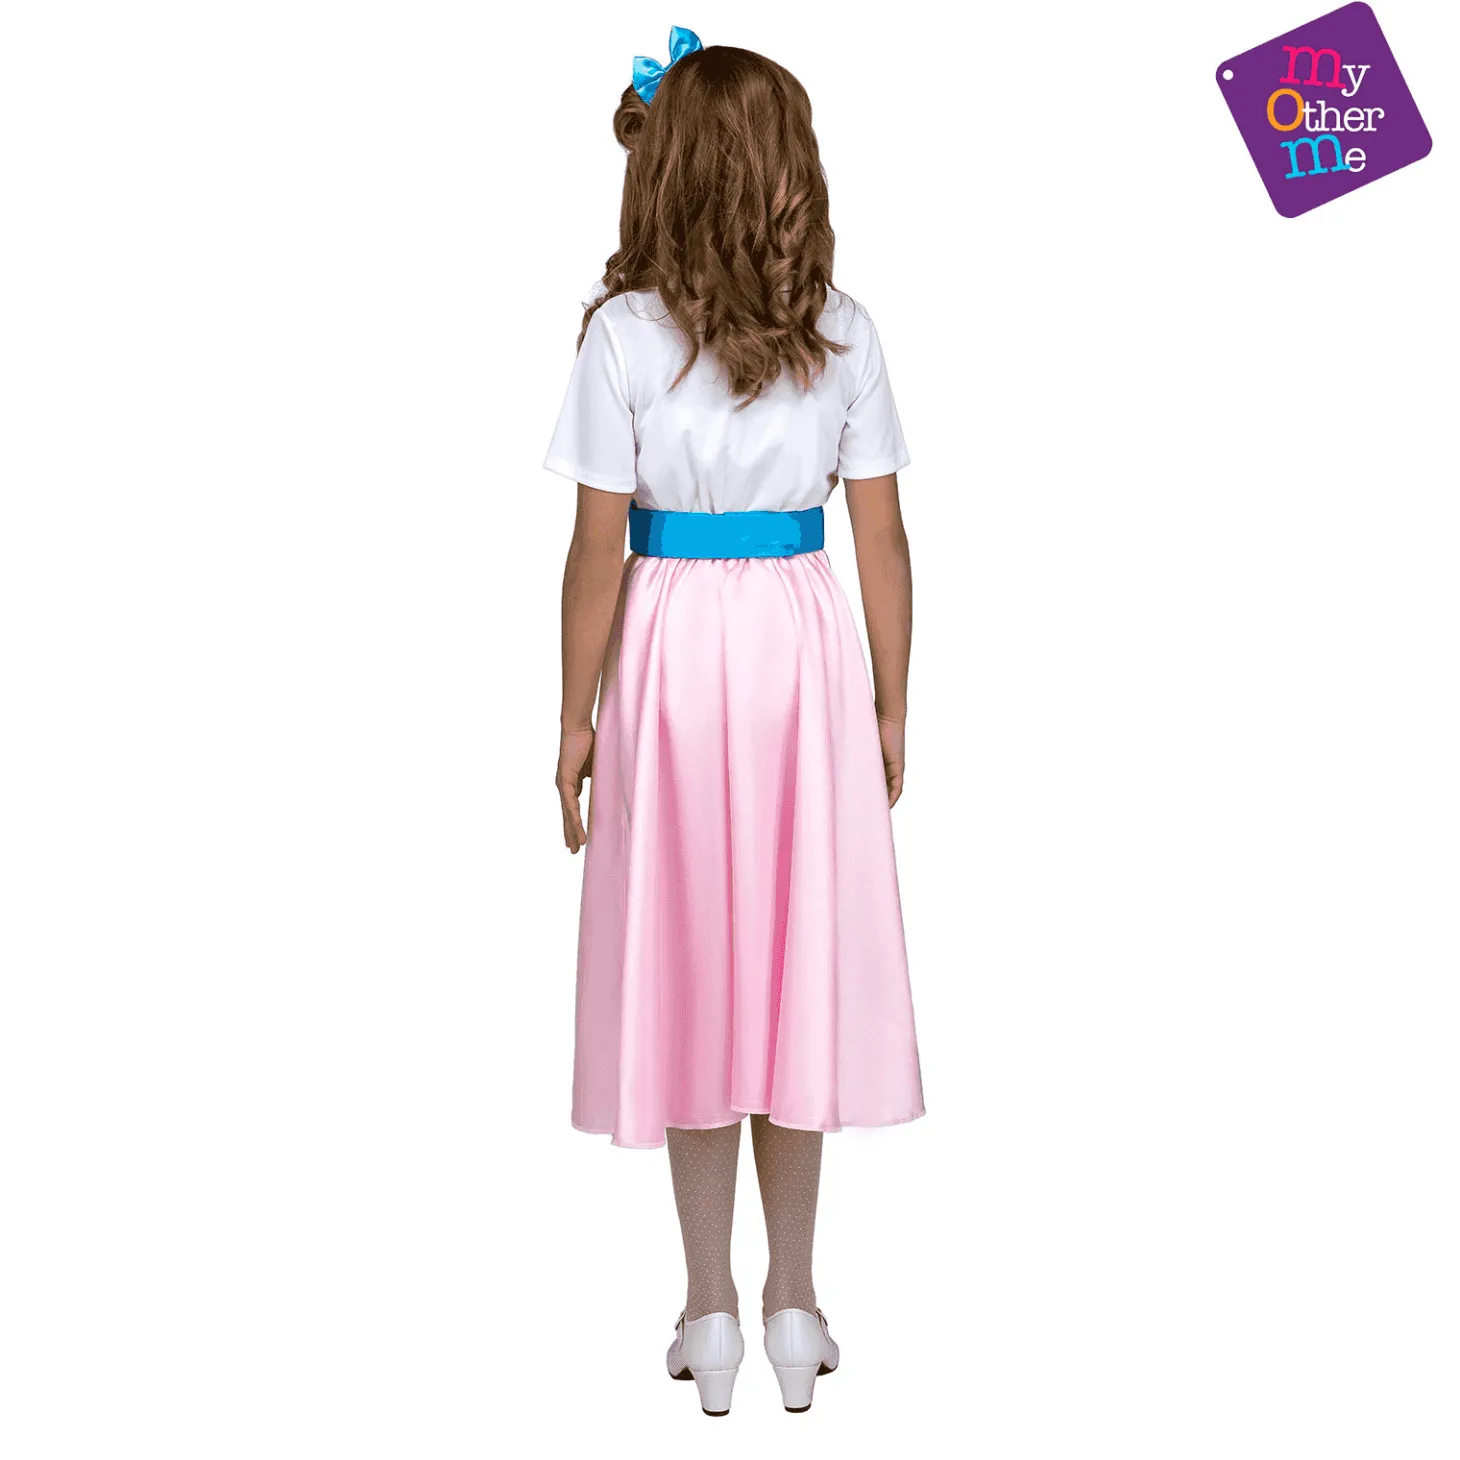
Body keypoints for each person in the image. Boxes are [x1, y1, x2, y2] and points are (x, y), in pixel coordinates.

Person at [545, 28, 923, 1417]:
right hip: (803, 653)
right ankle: (795, 1306)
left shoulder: (622, 336)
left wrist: (573, 719)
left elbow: (597, 548)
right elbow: (880, 538)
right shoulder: (847, 332)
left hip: (669, 656)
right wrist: (892, 696)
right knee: (792, 967)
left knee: (697, 970)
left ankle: (708, 1309)